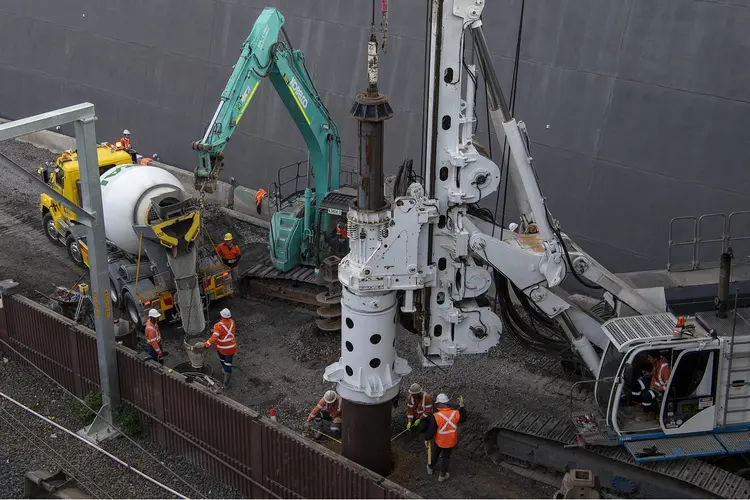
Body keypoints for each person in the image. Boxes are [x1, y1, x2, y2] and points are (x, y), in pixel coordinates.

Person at [422, 393, 466, 483]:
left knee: (435, 453)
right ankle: (442, 475)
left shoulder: (436, 416)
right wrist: (461, 405)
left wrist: (427, 438)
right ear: (447, 403)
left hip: (439, 441)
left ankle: (430, 467)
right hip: (450, 441)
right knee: (446, 457)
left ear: (439, 404)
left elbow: (432, 430)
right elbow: (463, 418)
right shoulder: (455, 413)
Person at [631, 350, 671, 422]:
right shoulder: (657, 362)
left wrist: (656, 387)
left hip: (659, 390)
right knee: (636, 385)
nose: (648, 359)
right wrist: (649, 374)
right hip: (653, 382)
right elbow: (655, 373)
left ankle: (648, 414)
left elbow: (667, 386)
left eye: (649, 358)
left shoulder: (665, 368)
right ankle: (637, 404)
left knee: (646, 395)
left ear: (655, 358)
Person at [201, 308, 237, 388]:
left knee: (224, 361)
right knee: (227, 362)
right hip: (231, 347)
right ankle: (225, 374)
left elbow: (215, 337)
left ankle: (225, 383)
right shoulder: (232, 322)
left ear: (221, 316)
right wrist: (213, 330)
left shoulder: (218, 325)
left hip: (223, 348)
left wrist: (206, 344)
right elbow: (229, 331)